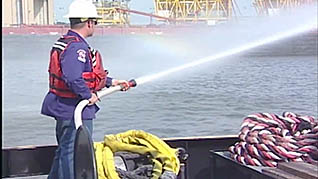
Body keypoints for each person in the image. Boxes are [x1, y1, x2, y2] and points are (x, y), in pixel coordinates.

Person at [41, 0, 130, 178]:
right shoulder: (77, 47)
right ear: (89, 22)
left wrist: (111, 82)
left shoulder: (66, 42)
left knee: (64, 151)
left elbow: (85, 75)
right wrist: (88, 95)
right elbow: (73, 77)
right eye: (95, 22)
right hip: (74, 110)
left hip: (65, 107)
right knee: (71, 154)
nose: (94, 26)